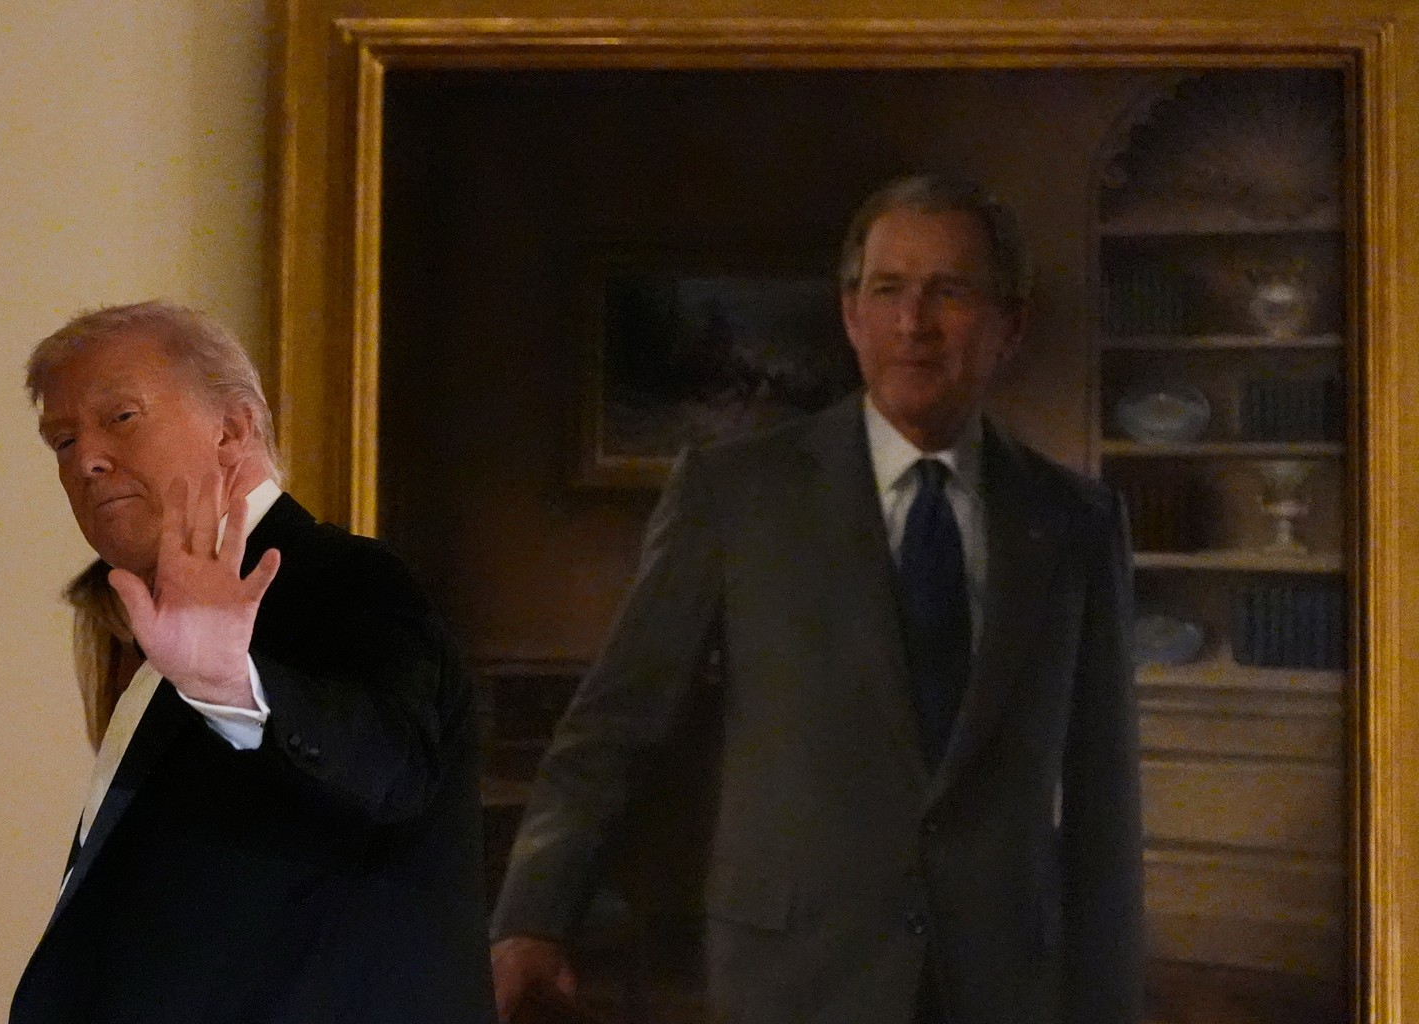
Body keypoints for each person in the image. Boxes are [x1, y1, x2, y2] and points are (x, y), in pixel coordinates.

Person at [489, 174, 1143, 1024]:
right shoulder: (734, 496)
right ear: (850, 314)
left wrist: (1110, 1004)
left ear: (1008, 324)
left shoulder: (1075, 523)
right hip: (795, 977)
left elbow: (1103, 800)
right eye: (888, 290)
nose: (914, 323)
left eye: (949, 291)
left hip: (1003, 982)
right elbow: (613, 729)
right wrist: (534, 917)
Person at [9, 301, 496, 1023]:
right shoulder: (152, 624)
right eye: (62, 439)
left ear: (232, 430)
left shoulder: (350, 579)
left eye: (121, 417)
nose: (87, 459)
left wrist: (230, 686)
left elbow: (391, 769)